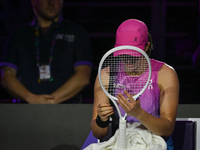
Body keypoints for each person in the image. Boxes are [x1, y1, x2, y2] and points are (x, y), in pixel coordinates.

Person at [90, 19, 179, 149]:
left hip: (156, 143)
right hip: (120, 142)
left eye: (133, 55)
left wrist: (139, 114)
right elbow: (98, 133)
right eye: (123, 55)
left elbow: (166, 130)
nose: (128, 61)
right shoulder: (105, 75)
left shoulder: (165, 74)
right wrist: (101, 120)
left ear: (147, 46)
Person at [0, 0, 93, 104]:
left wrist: (50, 101)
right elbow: (6, 75)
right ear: (34, 2)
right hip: (25, 109)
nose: (52, 3)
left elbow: (83, 76)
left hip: (67, 109)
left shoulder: (76, 32)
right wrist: (31, 98)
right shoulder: (18, 34)